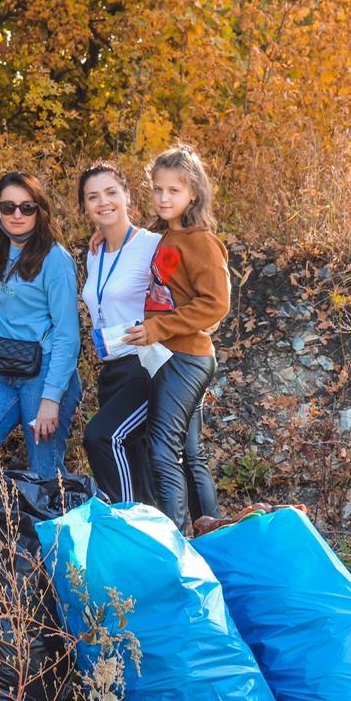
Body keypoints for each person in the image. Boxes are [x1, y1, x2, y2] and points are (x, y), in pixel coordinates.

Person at [122, 144, 231, 529]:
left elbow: (216, 304)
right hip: (167, 357)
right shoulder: (164, 237)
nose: (164, 197)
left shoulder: (201, 241)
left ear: (193, 194)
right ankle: (210, 538)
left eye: (174, 190)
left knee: (161, 449)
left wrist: (158, 328)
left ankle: (176, 546)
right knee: (189, 451)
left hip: (186, 359)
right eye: (158, 189)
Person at [0, 171, 81, 478]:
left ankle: (53, 527)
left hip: (44, 371)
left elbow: (68, 335)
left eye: (27, 207)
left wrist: (51, 399)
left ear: (39, 211)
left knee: (45, 471)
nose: (17, 214)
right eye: (8, 206)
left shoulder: (55, 259)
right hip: (2, 368)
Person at [77, 164, 162, 505]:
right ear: (85, 207)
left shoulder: (153, 244)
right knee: (135, 459)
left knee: (103, 437)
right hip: (111, 372)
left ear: (127, 196)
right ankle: (154, 537)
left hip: (146, 366)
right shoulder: (94, 252)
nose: (103, 202)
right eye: (92, 197)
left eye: (111, 192)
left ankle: (130, 526)